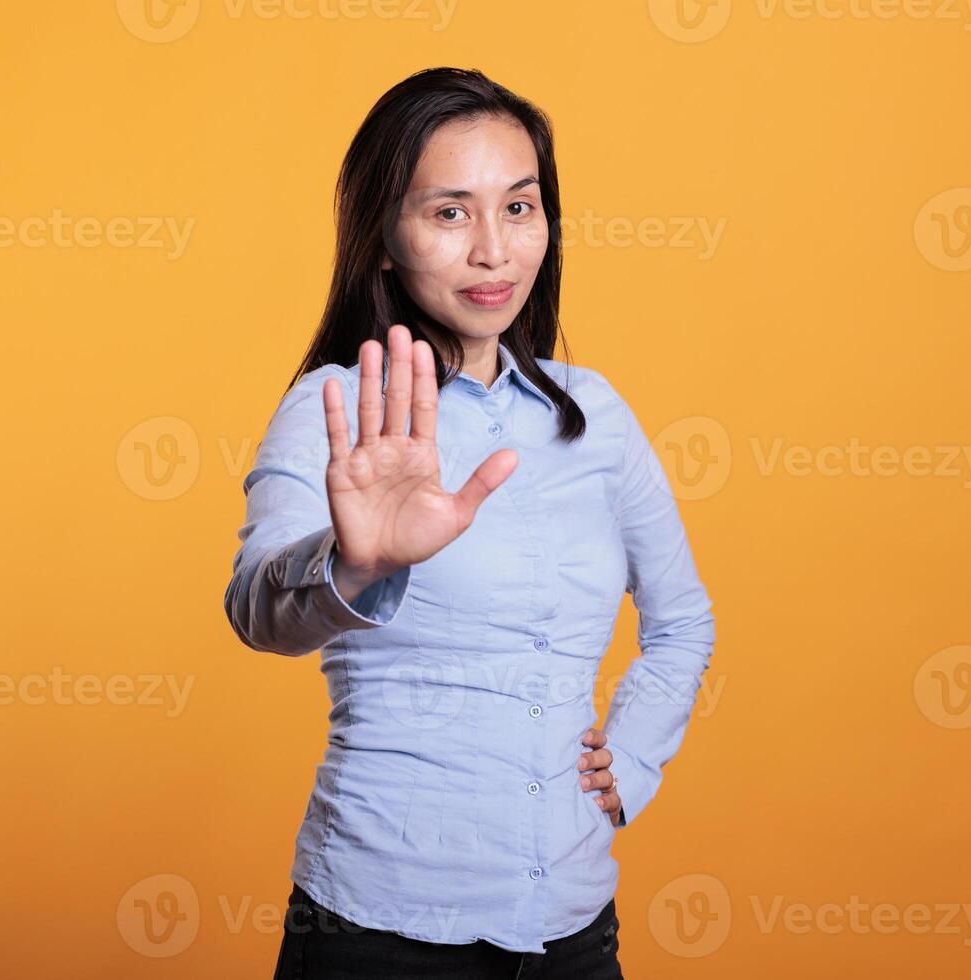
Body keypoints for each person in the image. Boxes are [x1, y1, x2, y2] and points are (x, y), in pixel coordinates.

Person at [224, 66, 716, 979]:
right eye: (450, 213)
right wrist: (354, 566)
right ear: (383, 237)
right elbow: (256, 608)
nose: (494, 251)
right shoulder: (337, 406)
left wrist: (633, 764)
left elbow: (683, 622)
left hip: (573, 927)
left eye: (519, 208)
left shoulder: (595, 414)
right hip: (378, 934)